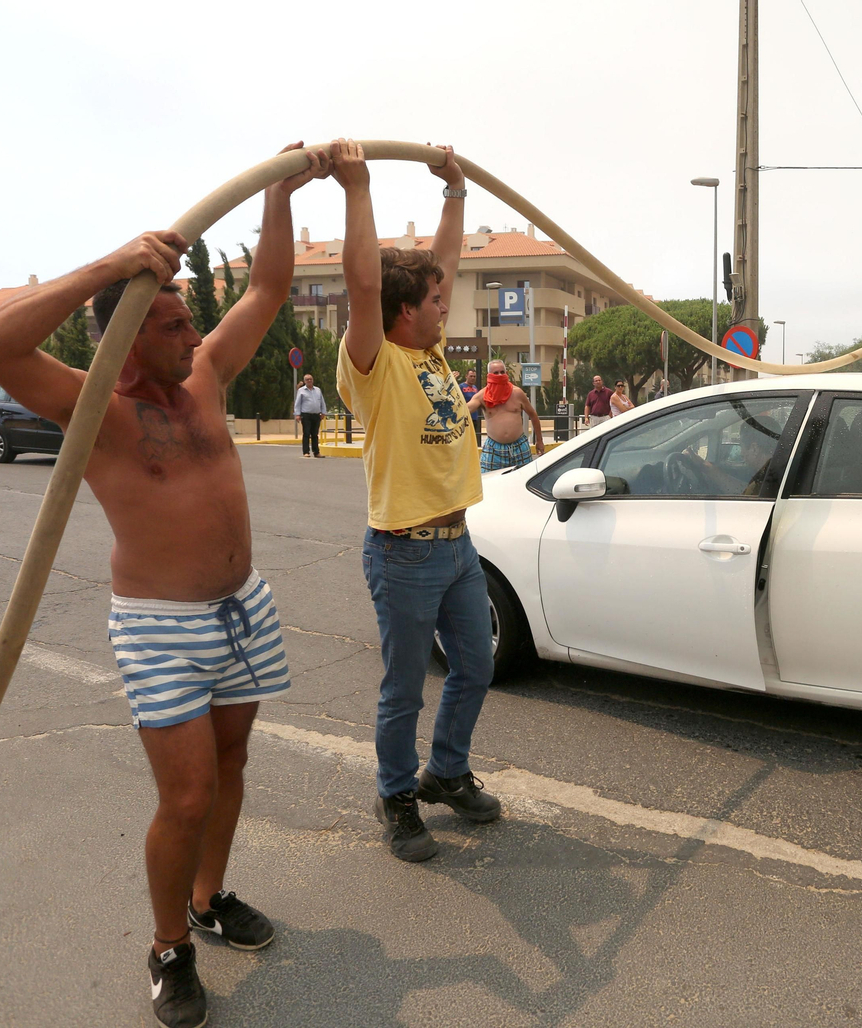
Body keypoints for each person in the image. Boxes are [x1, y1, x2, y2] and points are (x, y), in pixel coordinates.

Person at [0, 143, 328, 1028]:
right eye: (169, 324)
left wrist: (278, 194)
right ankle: (170, 947)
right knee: (187, 794)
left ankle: (209, 895)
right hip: (161, 626)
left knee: (233, 763)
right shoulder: (93, 405)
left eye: (187, 321)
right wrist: (114, 263)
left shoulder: (203, 376)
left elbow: (268, 291)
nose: (192, 336)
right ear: (126, 330)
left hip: (244, 611)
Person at [330, 138, 501, 867]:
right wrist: (357, 186)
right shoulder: (375, 359)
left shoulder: (428, 350)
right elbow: (364, 284)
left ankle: (447, 771)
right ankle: (396, 794)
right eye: (434, 301)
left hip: (457, 549)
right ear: (404, 312)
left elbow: (446, 263)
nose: (446, 306)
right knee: (404, 690)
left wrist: (455, 190)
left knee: (476, 666)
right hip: (403, 552)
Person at [467, 359, 545, 471]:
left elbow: (533, 415)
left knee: (524, 480)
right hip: (493, 448)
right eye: (496, 373)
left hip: (519, 445)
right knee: (488, 482)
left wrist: (540, 440)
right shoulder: (481, 396)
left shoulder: (517, 393)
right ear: (489, 376)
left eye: (502, 372)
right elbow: (466, 410)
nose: (500, 375)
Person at [294, 373, 326, 457]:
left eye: (310, 379)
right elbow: (297, 403)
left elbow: (322, 401)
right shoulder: (301, 391)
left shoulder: (318, 390)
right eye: (307, 379)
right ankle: (306, 452)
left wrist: (323, 412)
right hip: (306, 415)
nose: (309, 381)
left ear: (313, 380)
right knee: (306, 433)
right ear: (305, 381)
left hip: (316, 415)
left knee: (315, 434)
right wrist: (297, 414)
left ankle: (316, 452)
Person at [460, 368, 483, 443]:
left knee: (473, 439)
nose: (473, 378)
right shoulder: (461, 387)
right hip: (464, 417)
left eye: (474, 376)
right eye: (471, 376)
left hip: (474, 417)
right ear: (466, 376)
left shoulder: (475, 388)